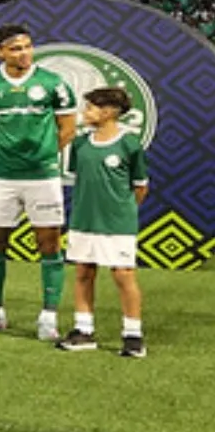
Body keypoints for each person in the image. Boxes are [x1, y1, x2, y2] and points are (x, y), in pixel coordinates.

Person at [0, 23, 77, 341]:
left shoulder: (53, 84)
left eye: (28, 46)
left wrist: (42, 155)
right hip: (0, 177)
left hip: (42, 176)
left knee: (49, 243)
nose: (24, 53)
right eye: (15, 48)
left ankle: (48, 316)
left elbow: (67, 128)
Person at [57, 87, 149, 358]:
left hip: (117, 223)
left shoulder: (129, 144)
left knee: (123, 275)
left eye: (90, 108)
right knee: (84, 272)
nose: (84, 113)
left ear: (108, 112)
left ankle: (133, 335)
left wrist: (124, 212)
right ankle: (83, 330)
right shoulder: (81, 144)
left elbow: (140, 186)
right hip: (83, 220)